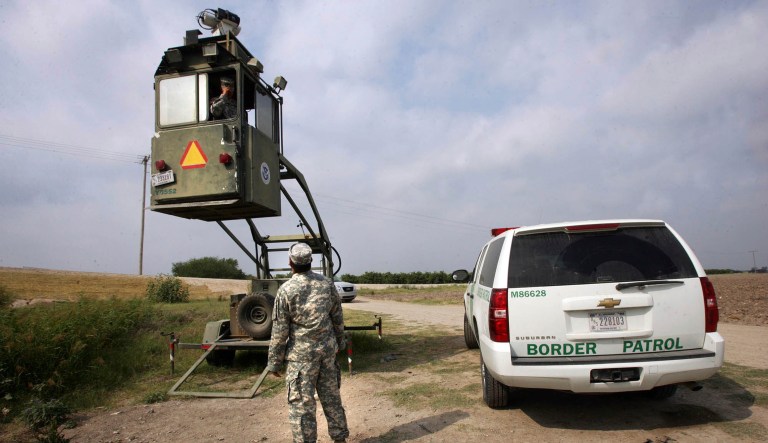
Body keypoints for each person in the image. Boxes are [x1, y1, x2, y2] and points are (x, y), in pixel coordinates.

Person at [266, 243, 350, 443]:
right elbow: (337, 318)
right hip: (327, 354)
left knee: (302, 406)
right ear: (310, 261)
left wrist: (275, 363)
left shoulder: (286, 290)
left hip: (301, 360)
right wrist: (341, 343)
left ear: (290, 262)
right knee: (332, 399)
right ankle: (340, 439)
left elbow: (279, 332)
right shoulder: (327, 284)